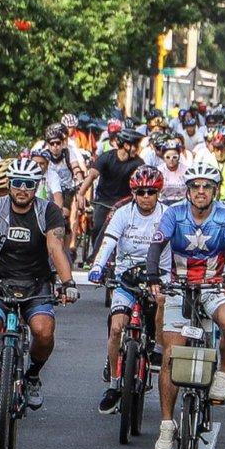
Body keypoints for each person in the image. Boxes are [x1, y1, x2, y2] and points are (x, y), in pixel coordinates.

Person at [0, 157, 78, 420]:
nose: (22, 190)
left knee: (43, 331)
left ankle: (32, 376)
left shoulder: (48, 212)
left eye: (28, 185)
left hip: (37, 284)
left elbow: (56, 248)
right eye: (17, 183)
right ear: (9, 185)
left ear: (37, 186)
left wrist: (68, 283)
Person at [144, 160, 225, 449]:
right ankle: (166, 426)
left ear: (215, 190)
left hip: (216, 287)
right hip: (180, 289)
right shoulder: (173, 214)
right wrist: (152, 276)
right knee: (171, 358)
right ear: (187, 190)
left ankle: (222, 374)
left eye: (207, 187)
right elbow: (156, 247)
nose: (201, 191)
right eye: (195, 186)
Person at [87, 164, 168, 413]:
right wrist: (98, 267)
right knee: (116, 328)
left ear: (158, 193)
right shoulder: (123, 214)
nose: (146, 197)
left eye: (151, 192)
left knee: (163, 302)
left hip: (157, 277)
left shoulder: (167, 215)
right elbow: (109, 241)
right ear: (133, 193)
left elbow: (176, 248)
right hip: (126, 278)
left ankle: (157, 349)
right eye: (141, 192)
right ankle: (113, 384)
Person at [77, 128, 144, 251]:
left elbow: (143, 182)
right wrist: (81, 194)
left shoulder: (138, 163)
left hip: (125, 203)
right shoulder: (107, 158)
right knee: (98, 227)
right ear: (126, 145)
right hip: (103, 200)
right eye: (135, 145)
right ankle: (96, 256)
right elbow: (91, 176)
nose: (137, 149)